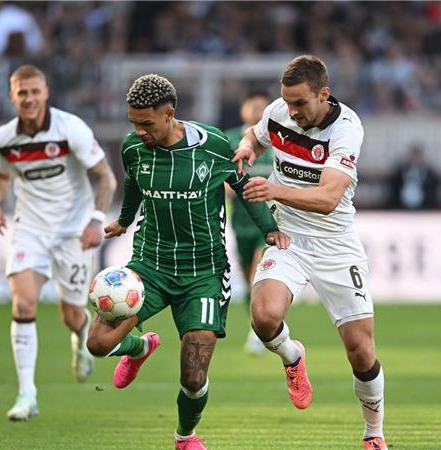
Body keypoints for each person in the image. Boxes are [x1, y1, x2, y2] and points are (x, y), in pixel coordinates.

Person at [86, 74, 289, 450]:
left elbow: (244, 187)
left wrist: (269, 229)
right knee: (97, 343)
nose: (139, 131)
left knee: (194, 375)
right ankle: (140, 348)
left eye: (146, 123)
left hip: (203, 272)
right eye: (134, 123)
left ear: (170, 114)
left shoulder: (212, 144)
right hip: (150, 265)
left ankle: (185, 437)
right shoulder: (133, 146)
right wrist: (126, 219)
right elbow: (133, 181)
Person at [232, 55, 388, 450]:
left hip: (336, 245)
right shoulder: (280, 111)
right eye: (287, 102)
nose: (292, 111)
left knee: (360, 350)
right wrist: (248, 146)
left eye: (300, 103)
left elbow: (330, 197)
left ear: (324, 94)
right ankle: (292, 355)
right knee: (264, 318)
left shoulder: (347, 129)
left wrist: (273, 189)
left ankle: (373, 434)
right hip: (289, 237)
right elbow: (256, 132)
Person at [0, 64, 117, 421]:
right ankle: (27, 394)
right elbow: (0, 177)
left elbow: (105, 178)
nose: (28, 99)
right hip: (30, 229)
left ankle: (80, 336)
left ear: (46, 93)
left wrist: (95, 220)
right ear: (12, 96)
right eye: (21, 93)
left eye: (34, 91)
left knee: (72, 315)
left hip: (73, 232)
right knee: (23, 304)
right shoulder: (5, 138)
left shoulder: (69, 128)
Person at [224, 90, 274, 355]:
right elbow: (218, 177)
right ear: (243, 109)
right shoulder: (230, 139)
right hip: (240, 221)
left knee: (258, 273)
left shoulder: (275, 142)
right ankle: (259, 323)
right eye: (252, 105)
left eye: (262, 107)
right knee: (246, 278)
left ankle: (259, 332)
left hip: (269, 221)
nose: (256, 110)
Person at [387, 143, 441, 210]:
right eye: (414, 155)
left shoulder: (428, 172)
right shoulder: (402, 170)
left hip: (424, 206)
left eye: (418, 156)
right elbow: (394, 188)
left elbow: (433, 189)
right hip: (403, 205)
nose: (416, 158)